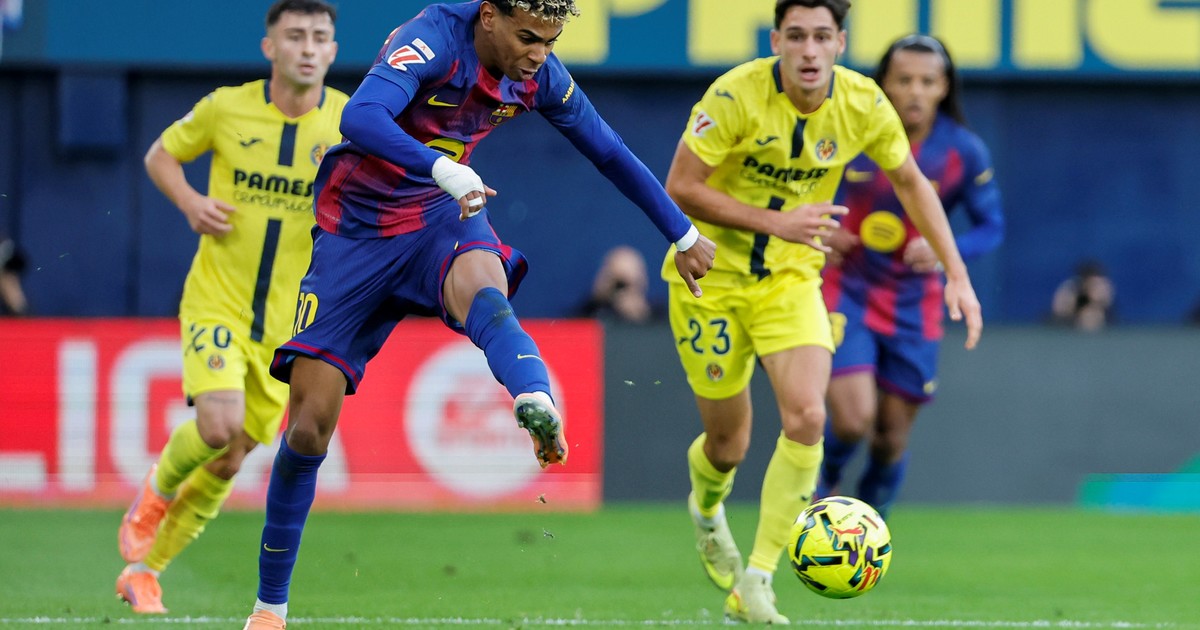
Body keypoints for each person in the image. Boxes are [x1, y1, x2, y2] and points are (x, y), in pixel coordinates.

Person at [242, 1, 716, 627]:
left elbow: (608, 150)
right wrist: (442, 166)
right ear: (489, 16)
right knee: (308, 429)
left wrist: (682, 233)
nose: (538, 55)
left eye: (550, 42)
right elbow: (360, 116)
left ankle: (535, 395)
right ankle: (269, 609)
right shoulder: (433, 39)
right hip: (356, 230)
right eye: (527, 37)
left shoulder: (538, 75)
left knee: (485, 290)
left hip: (442, 215)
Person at [664, 0, 982, 623]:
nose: (808, 51)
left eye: (820, 37)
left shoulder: (864, 103)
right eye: (796, 36)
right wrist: (777, 222)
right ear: (776, 40)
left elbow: (912, 184)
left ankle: (757, 578)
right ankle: (706, 507)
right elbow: (681, 186)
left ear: (840, 42)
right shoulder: (733, 96)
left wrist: (958, 273)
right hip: (710, 281)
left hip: (790, 280)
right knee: (728, 444)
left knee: (809, 415)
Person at [115, 0, 345, 615]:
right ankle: (156, 491)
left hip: (287, 324)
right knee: (216, 426)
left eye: (318, 37)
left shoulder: (348, 124)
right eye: (294, 36)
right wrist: (191, 202)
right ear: (270, 47)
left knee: (232, 456)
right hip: (218, 299)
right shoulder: (225, 107)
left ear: (332, 51)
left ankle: (146, 571)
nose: (306, 48)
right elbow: (160, 155)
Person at [817, 34, 1005, 519]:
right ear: (883, 83)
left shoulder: (962, 151)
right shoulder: (847, 131)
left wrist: (947, 251)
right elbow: (797, 185)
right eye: (903, 80)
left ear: (944, 87)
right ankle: (820, 487)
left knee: (889, 437)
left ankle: (871, 524)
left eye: (927, 81)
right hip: (847, 287)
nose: (915, 92)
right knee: (853, 419)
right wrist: (820, 227)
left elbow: (991, 226)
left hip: (914, 302)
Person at [580, 245, 657, 324]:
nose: (621, 291)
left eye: (626, 284)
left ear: (643, 280)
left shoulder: (658, 315)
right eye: (618, 284)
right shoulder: (593, 313)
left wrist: (639, 313)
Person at [1051, 259, 1114, 331]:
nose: (1091, 281)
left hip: (1095, 318)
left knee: (1091, 314)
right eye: (1088, 278)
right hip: (1068, 319)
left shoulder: (1102, 286)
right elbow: (1059, 309)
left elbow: (1104, 304)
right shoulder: (1070, 287)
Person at [0, 231, 29, 316]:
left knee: (8, 281)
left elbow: (20, 262)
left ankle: (21, 316)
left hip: (5, 275)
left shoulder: (5, 247)